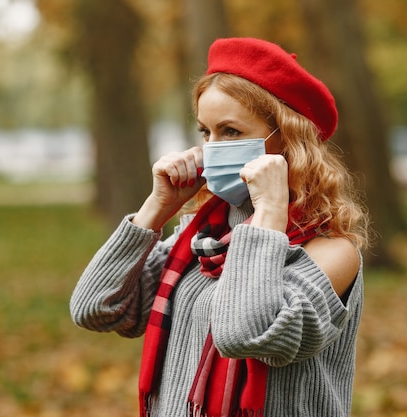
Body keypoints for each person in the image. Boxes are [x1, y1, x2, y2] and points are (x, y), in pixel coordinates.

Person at [70, 37, 370, 417]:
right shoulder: (198, 240)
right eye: (205, 132)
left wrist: (270, 212)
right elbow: (95, 307)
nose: (212, 148)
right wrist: (158, 207)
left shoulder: (331, 251)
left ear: (288, 141)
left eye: (230, 132)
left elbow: (242, 334)